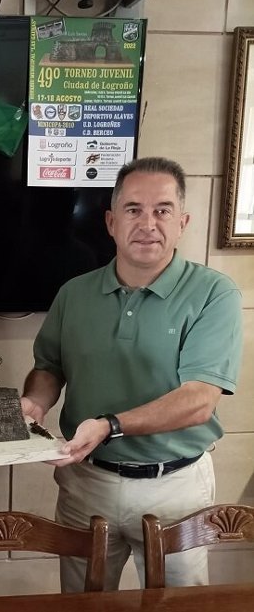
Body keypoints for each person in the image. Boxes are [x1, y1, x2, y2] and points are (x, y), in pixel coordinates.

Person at [20, 156, 243, 591]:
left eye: (162, 210)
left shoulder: (215, 294)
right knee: (83, 602)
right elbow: (49, 366)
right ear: (110, 221)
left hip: (176, 488)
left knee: (179, 606)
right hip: (86, 482)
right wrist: (36, 402)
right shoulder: (74, 293)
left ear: (183, 221)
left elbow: (199, 399)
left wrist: (110, 426)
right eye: (133, 209)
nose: (147, 223)